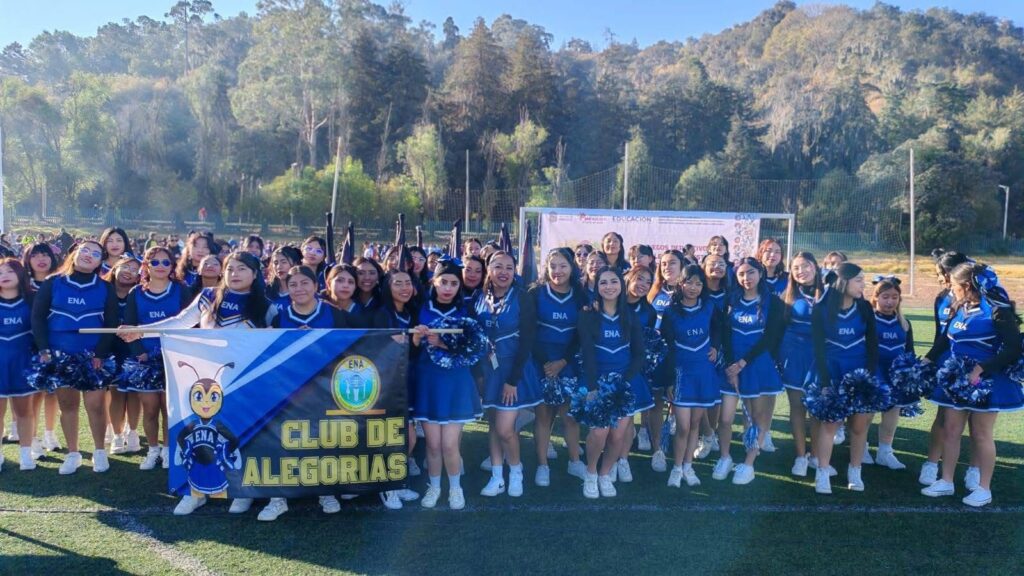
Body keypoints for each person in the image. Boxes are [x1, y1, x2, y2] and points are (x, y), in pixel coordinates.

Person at [119, 252, 273, 517]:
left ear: (255, 274)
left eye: (242, 269)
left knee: (239, 434)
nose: (235, 274)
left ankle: (242, 491)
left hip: (244, 382)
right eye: (230, 268)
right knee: (200, 434)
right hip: (205, 380)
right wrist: (141, 330)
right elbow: (179, 322)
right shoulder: (208, 296)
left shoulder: (267, 307)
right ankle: (196, 491)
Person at [921, 263, 1022, 507]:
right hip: (957, 378)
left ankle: (984, 488)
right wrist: (927, 360)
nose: (951, 290)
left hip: (986, 380)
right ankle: (946, 481)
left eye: (955, 286)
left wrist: (982, 368)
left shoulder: (997, 310)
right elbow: (945, 340)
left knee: (980, 434)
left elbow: (1013, 348)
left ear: (967, 286)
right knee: (951, 429)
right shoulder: (958, 305)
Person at [31, 240, 120, 475]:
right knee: (68, 405)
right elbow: (37, 318)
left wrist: (100, 353)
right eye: (85, 250)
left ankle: (99, 451)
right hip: (60, 354)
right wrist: (44, 350)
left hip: (93, 355)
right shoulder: (53, 282)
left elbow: (111, 323)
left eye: (96, 253)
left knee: (96, 405)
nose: (89, 255)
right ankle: (73, 453)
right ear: (74, 253)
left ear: (100, 261)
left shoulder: (105, 287)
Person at [412, 258, 482, 510]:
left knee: (450, 445)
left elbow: (475, 347)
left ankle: (455, 488)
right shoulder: (420, 308)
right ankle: (434, 487)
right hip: (428, 382)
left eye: (454, 283)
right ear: (434, 282)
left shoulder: (467, 310)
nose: (448, 288)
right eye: (444, 282)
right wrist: (417, 338)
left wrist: (443, 343)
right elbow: (411, 350)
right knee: (432, 445)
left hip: (456, 383)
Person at [576, 266, 653, 498]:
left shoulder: (630, 315)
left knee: (618, 435)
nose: (609, 287)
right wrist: (592, 387)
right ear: (597, 287)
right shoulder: (587, 315)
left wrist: (624, 383)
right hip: (597, 382)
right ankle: (591, 472)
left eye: (613, 282)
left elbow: (639, 354)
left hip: (625, 384)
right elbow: (588, 354)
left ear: (621, 285)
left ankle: (605, 473)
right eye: (603, 282)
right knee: (599, 433)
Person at [806, 262, 878, 494]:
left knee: (858, 425)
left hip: (858, 371)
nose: (863, 285)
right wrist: (825, 382)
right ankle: (822, 472)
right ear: (843, 282)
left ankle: (855, 471)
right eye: (858, 280)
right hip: (831, 370)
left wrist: (868, 375)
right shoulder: (821, 309)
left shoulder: (864, 307)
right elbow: (817, 347)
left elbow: (872, 343)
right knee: (829, 424)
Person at [476, 251, 543, 499]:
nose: (503, 272)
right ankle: (497, 477)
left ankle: (516, 472)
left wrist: (512, 381)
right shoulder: (480, 297)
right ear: (489, 270)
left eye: (509, 267)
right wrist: (478, 374)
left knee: (505, 429)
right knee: (493, 426)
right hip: (488, 371)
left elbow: (527, 341)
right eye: (498, 266)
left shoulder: (522, 297)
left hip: (513, 370)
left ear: (515, 271)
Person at [712, 258, 784, 485]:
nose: (746, 278)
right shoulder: (730, 299)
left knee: (756, 418)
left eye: (751, 272)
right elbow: (725, 334)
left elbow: (770, 337)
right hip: (731, 365)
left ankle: (749, 463)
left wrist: (743, 363)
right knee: (725, 419)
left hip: (757, 364)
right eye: (741, 274)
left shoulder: (773, 302)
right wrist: (731, 366)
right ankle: (725, 457)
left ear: (760, 273)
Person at [123, 247, 191, 471]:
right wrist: (139, 352)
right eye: (155, 262)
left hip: (174, 357)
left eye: (166, 262)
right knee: (150, 408)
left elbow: (190, 324)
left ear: (172, 267)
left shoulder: (181, 290)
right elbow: (130, 326)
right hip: (146, 359)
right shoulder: (136, 293)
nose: (161, 266)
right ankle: (153, 450)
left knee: (169, 408)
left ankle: (168, 449)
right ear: (146, 266)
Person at [661, 265, 724, 487]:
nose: (693, 287)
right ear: (680, 283)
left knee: (695, 424)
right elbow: (666, 347)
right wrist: (669, 380)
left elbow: (719, 328)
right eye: (689, 282)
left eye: (698, 283)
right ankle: (676, 468)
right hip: (681, 374)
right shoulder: (670, 312)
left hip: (703, 372)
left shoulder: (709, 306)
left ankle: (688, 466)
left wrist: (715, 346)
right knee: (683, 427)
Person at [531, 248, 587, 487]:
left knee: (570, 416)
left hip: (569, 362)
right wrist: (547, 363)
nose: (557, 271)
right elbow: (529, 331)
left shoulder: (581, 295)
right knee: (544, 416)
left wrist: (563, 361)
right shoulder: (535, 293)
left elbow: (582, 334)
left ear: (572, 268)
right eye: (553, 266)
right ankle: (542, 465)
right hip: (541, 363)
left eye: (563, 266)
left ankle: (575, 461)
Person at [918, 250, 972, 486]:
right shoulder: (941, 298)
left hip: (972, 366)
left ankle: (974, 470)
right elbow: (940, 336)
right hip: (946, 365)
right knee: (943, 417)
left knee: (974, 421)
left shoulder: (978, 297)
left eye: (942, 273)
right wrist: (931, 362)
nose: (940, 278)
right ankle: (931, 463)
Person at [371, 270, 423, 509]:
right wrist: (391, 343)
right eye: (398, 283)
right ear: (387, 288)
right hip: (387, 384)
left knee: (408, 438)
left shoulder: (412, 313)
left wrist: (415, 341)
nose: (404, 288)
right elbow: (376, 351)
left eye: (408, 283)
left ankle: (396, 480)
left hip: (407, 382)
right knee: (391, 436)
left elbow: (412, 354)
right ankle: (386, 487)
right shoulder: (382, 315)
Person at [779, 252, 823, 477]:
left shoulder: (829, 293)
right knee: (797, 408)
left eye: (805, 266)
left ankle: (816, 455)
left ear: (815, 267)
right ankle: (800, 456)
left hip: (820, 359)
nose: (801, 271)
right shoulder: (787, 295)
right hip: (794, 357)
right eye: (796, 268)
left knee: (816, 410)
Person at [868, 275, 914, 471]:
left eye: (894, 297)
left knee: (892, 413)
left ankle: (885, 451)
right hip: (873, 371)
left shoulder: (904, 323)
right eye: (885, 297)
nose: (890, 302)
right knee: (866, 412)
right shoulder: (869, 320)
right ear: (875, 298)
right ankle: (862, 447)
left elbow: (909, 351)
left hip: (895, 374)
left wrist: (909, 372)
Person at [0, 258, 39, 470]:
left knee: (24, 410)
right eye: (0, 272)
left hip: (23, 363)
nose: (4, 276)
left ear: (20, 274)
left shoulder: (32, 300)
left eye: (9, 271)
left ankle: (26, 453)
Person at [104, 256, 142, 455]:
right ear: (115, 268)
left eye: (135, 270)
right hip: (111, 349)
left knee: (134, 392)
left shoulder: (141, 294)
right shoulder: (104, 291)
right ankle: (117, 435)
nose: (129, 272)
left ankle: (133, 432)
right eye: (125, 267)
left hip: (134, 348)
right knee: (116, 393)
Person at [266, 246, 302, 311]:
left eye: (284, 262)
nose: (279, 267)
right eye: (276, 263)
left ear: (295, 264)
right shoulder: (267, 292)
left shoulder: (302, 292)